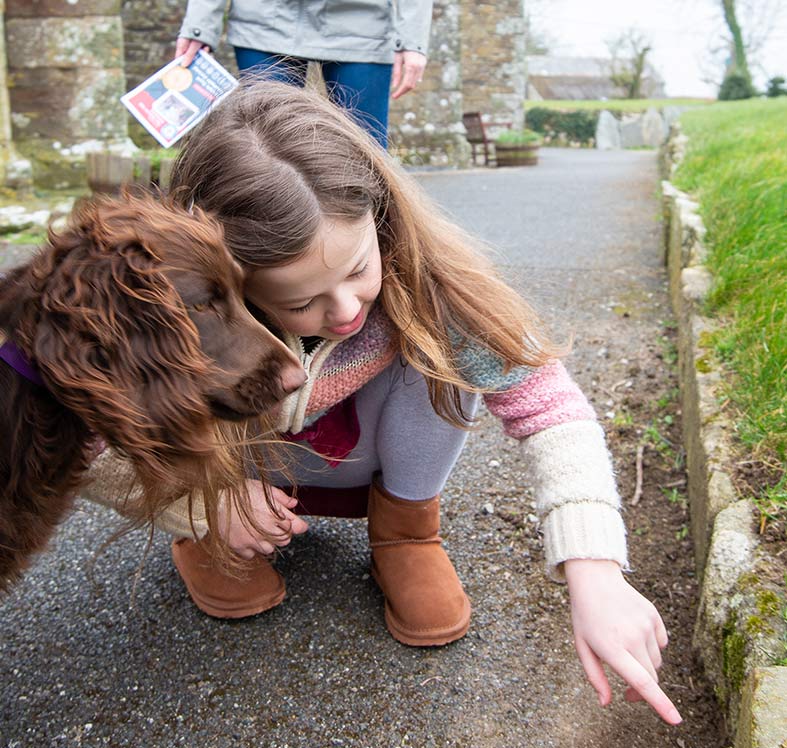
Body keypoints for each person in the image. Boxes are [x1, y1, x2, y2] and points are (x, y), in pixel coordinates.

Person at [85, 78, 682, 726]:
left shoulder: (428, 281)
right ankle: (220, 536)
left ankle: (404, 531)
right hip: (237, 479)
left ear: (378, 215)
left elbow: (549, 406)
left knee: (440, 353)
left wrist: (592, 569)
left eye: (356, 269)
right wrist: (197, 503)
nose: (342, 311)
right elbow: (83, 445)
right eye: (298, 301)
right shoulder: (164, 319)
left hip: (366, 465)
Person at [173, 0, 432, 146]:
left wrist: (413, 38)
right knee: (265, 150)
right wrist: (200, 23)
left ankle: (371, 241)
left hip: (363, 22)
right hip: (264, 19)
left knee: (366, 158)